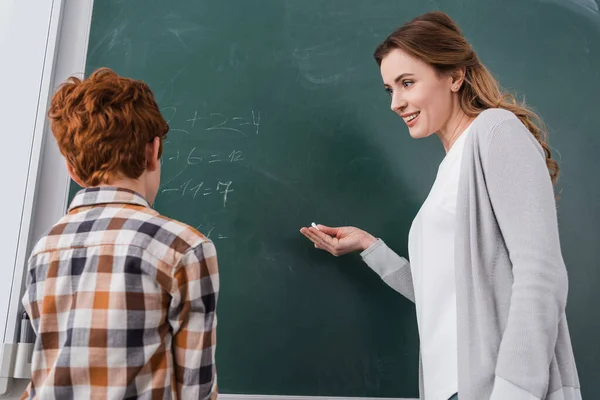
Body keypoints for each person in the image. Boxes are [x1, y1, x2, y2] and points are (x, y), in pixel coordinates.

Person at [300, 11, 580, 400]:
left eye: (407, 83)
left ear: (454, 76)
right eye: (389, 89)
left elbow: (542, 273)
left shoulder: (495, 131)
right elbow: (447, 295)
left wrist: (515, 391)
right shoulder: (449, 170)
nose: (396, 102)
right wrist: (371, 248)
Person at [21, 68, 219, 399]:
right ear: (153, 152)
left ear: (72, 169)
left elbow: (43, 371)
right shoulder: (184, 248)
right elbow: (194, 391)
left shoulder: (45, 249)